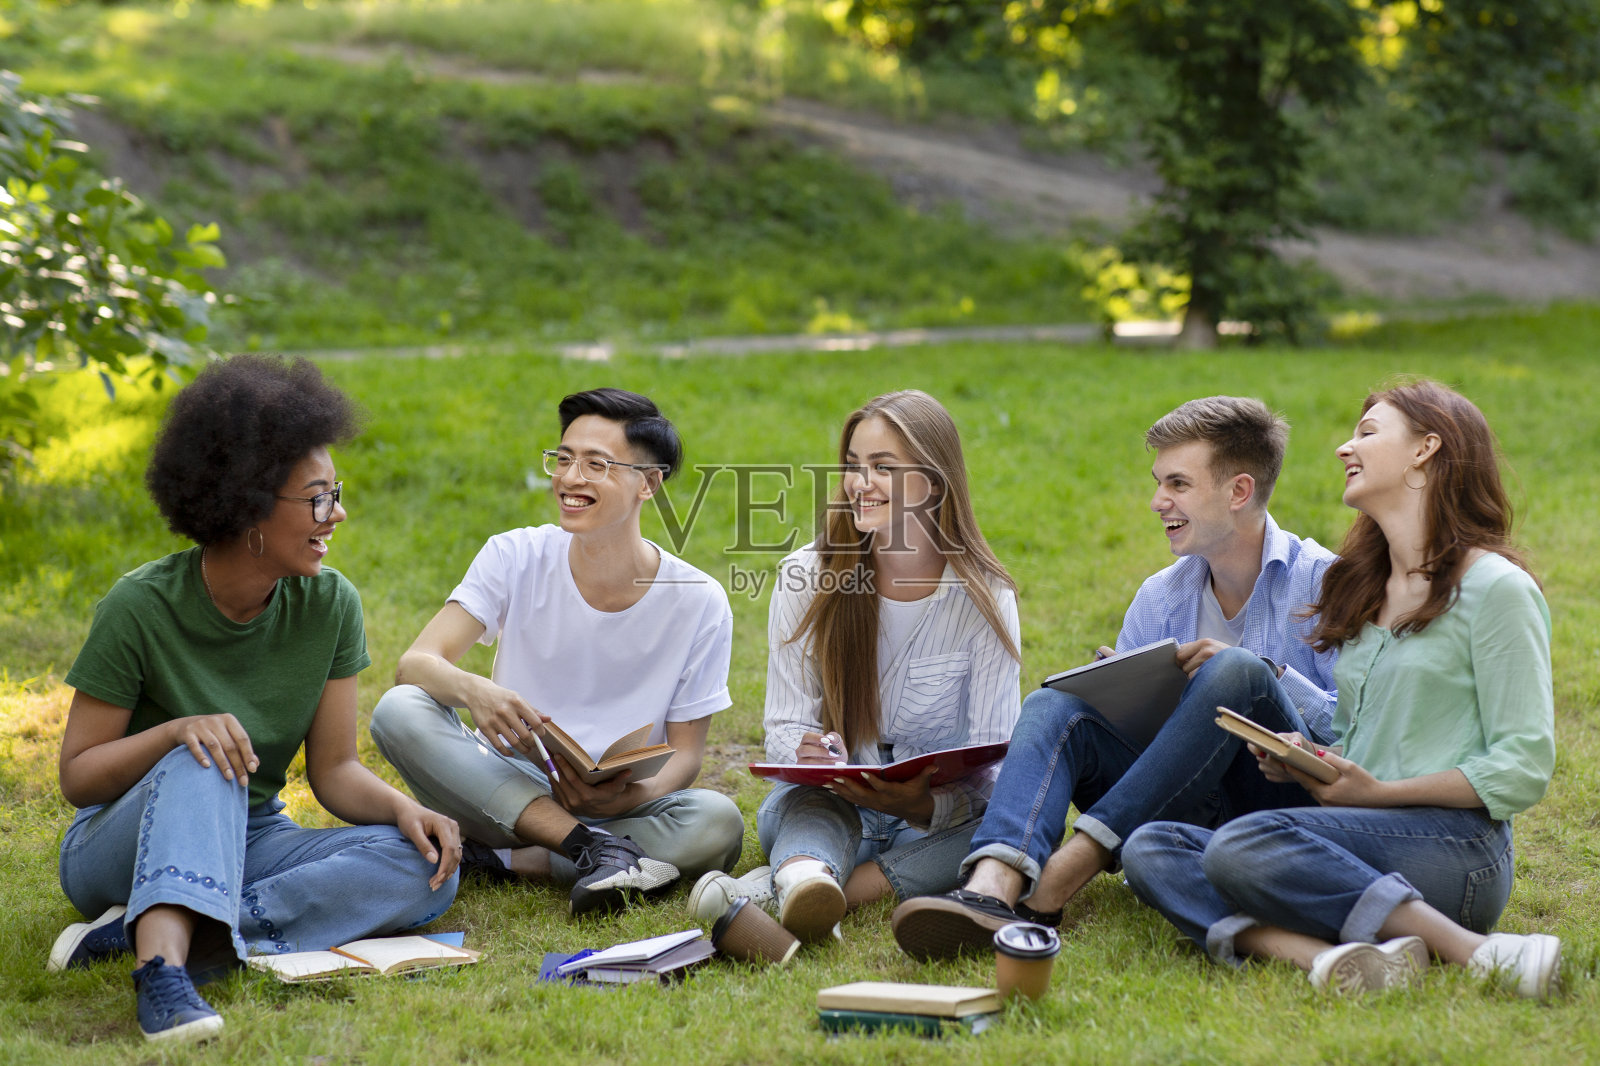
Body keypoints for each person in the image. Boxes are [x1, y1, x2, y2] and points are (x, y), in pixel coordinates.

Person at [49, 355, 461, 1044]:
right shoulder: (139, 606)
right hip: (118, 840)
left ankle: (158, 927)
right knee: (204, 753)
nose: (339, 514)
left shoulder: (331, 604)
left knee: (426, 870)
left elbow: (333, 772)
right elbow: (78, 777)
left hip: (252, 837)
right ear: (249, 503)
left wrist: (405, 809)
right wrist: (173, 734)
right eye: (320, 497)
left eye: (338, 492)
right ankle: (162, 976)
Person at [1121, 380, 1560, 998]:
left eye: (1368, 433)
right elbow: (1355, 732)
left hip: (1456, 847)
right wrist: (1310, 760)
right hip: (1356, 828)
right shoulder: (1366, 590)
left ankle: (1477, 952)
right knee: (1151, 846)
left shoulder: (1495, 590)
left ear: (1425, 450)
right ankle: (1330, 958)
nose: (1343, 448)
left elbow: (1522, 768)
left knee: (1244, 843)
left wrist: (1380, 793)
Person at [892, 396, 1338, 959]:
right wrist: (1120, 690)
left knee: (1236, 671)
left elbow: (1357, 731)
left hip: (1278, 805)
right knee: (1055, 704)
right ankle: (993, 885)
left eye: (1178, 484)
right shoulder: (1160, 596)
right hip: (1179, 808)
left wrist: (1268, 674)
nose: (1158, 502)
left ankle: (1065, 871)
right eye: (1158, 482)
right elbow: (1150, 760)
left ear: (1239, 491)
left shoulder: (1324, 584)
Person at [369, 387, 743, 917]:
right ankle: (591, 853)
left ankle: (509, 859)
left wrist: (628, 799)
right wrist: (477, 690)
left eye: (596, 464)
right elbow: (416, 664)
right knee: (397, 710)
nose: (570, 479)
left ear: (649, 483)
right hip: (496, 787)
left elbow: (686, 754)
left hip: (614, 808)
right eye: (563, 459)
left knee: (718, 822)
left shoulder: (699, 601)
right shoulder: (515, 554)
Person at [688, 390, 1021, 943]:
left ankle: (802, 889)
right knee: (808, 809)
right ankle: (806, 873)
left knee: (1012, 836)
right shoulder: (807, 577)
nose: (859, 483)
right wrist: (808, 752)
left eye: (882, 468)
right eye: (853, 466)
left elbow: (996, 757)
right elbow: (783, 729)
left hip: (932, 827)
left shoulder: (985, 596)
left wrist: (922, 803)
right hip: (831, 812)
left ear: (934, 482)